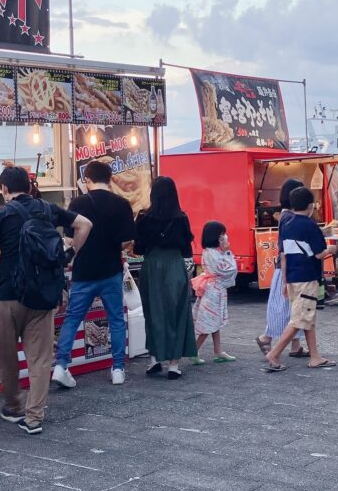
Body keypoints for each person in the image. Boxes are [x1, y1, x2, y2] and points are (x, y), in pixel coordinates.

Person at [0, 167, 91, 435]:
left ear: (4, 189)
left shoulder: (0, 214)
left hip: (8, 296)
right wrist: (70, 254)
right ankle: (34, 418)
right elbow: (85, 224)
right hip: (43, 296)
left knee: (6, 356)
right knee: (39, 359)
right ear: (29, 186)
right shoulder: (48, 210)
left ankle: (13, 406)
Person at [52, 160, 135, 389]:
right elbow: (128, 240)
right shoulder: (122, 204)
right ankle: (118, 368)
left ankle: (61, 366)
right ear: (110, 179)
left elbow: (69, 239)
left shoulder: (78, 203)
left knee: (72, 318)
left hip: (83, 271)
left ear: (87, 180)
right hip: (111, 270)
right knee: (116, 319)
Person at [264, 187, 337, 372]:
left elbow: (284, 255)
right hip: (307, 277)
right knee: (300, 319)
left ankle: (315, 356)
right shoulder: (310, 225)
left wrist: (285, 282)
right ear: (311, 205)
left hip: (292, 277)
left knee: (307, 317)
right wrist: (331, 250)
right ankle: (274, 353)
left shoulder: (286, 223)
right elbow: (320, 254)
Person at [135, 176, 197, 379]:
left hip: (151, 266)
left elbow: (138, 248)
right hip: (174, 266)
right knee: (177, 313)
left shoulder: (143, 217)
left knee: (153, 312)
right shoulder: (181, 218)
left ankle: (154, 360)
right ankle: (174, 364)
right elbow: (187, 248)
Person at [257, 179, 308, 359]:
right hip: (287, 270)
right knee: (285, 309)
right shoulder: (288, 216)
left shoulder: (286, 215)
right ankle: (266, 337)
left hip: (288, 268)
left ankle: (295, 346)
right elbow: (287, 249)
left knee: (290, 308)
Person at [191, 221, 238, 364]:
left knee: (213, 321)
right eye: (222, 234)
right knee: (209, 322)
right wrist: (227, 252)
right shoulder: (213, 253)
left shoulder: (209, 251)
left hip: (212, 289)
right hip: (213, 291)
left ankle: (218, 351)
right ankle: (194, 351)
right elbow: (227, 269)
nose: (224, 237)